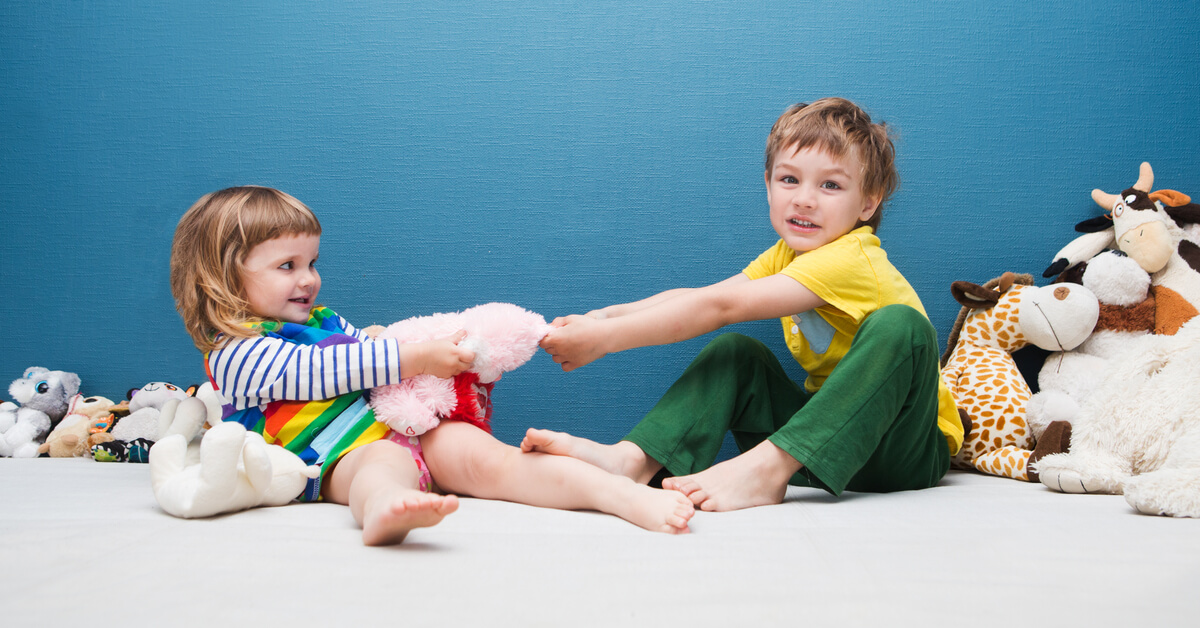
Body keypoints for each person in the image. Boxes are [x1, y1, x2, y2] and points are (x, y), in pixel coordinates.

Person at [169, 186, 694, 545]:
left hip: (405, 427)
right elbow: (327, 371)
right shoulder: (234, 352)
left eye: (312, 263)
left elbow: (365, 353)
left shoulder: (323, 320)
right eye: (288, 266)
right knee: (379, 468)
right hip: (333, 458)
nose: (309, 279)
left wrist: (402, 344)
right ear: (222, 276)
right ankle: (385, 509)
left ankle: (617, 494)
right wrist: (414, 356)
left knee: (496, 462)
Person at [528, 97, 964, 512]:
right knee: (737, 352)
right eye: (789, 179)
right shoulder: (787, 255)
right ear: (768, 185)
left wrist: (606, 339)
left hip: (903, 450)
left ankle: (767, 468)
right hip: (829, 445)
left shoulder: (851, 258)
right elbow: (705, 296)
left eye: (830, 185)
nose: (804, 198)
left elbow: (721, 307)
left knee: (902, 325)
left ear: (868, 202)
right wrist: (604, 316)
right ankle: (634, 460)